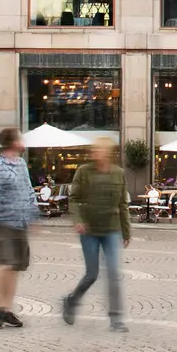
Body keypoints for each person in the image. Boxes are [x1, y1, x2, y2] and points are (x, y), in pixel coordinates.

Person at [61, 136, 131, 331]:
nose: (98, 153)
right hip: (89, 230)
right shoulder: (84, 172)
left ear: (108, 153)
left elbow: (123, 204)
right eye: (96, 150)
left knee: (114, 273)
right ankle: (72, 300)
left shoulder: (118, 173)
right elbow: (74, 199)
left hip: (111, 229)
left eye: (102, 150)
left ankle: (116, 319)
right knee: (92, 275)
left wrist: (126, 231)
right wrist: (78, 220)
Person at [0, 127, 39, 329]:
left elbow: (29, 190)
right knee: (7, 264)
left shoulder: (21, 164)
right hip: (3, 224)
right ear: (13, 142)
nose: (23, 141)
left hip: (20, 223)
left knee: (15, 267)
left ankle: (6, 309)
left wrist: (33, 215)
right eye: (20, 138)